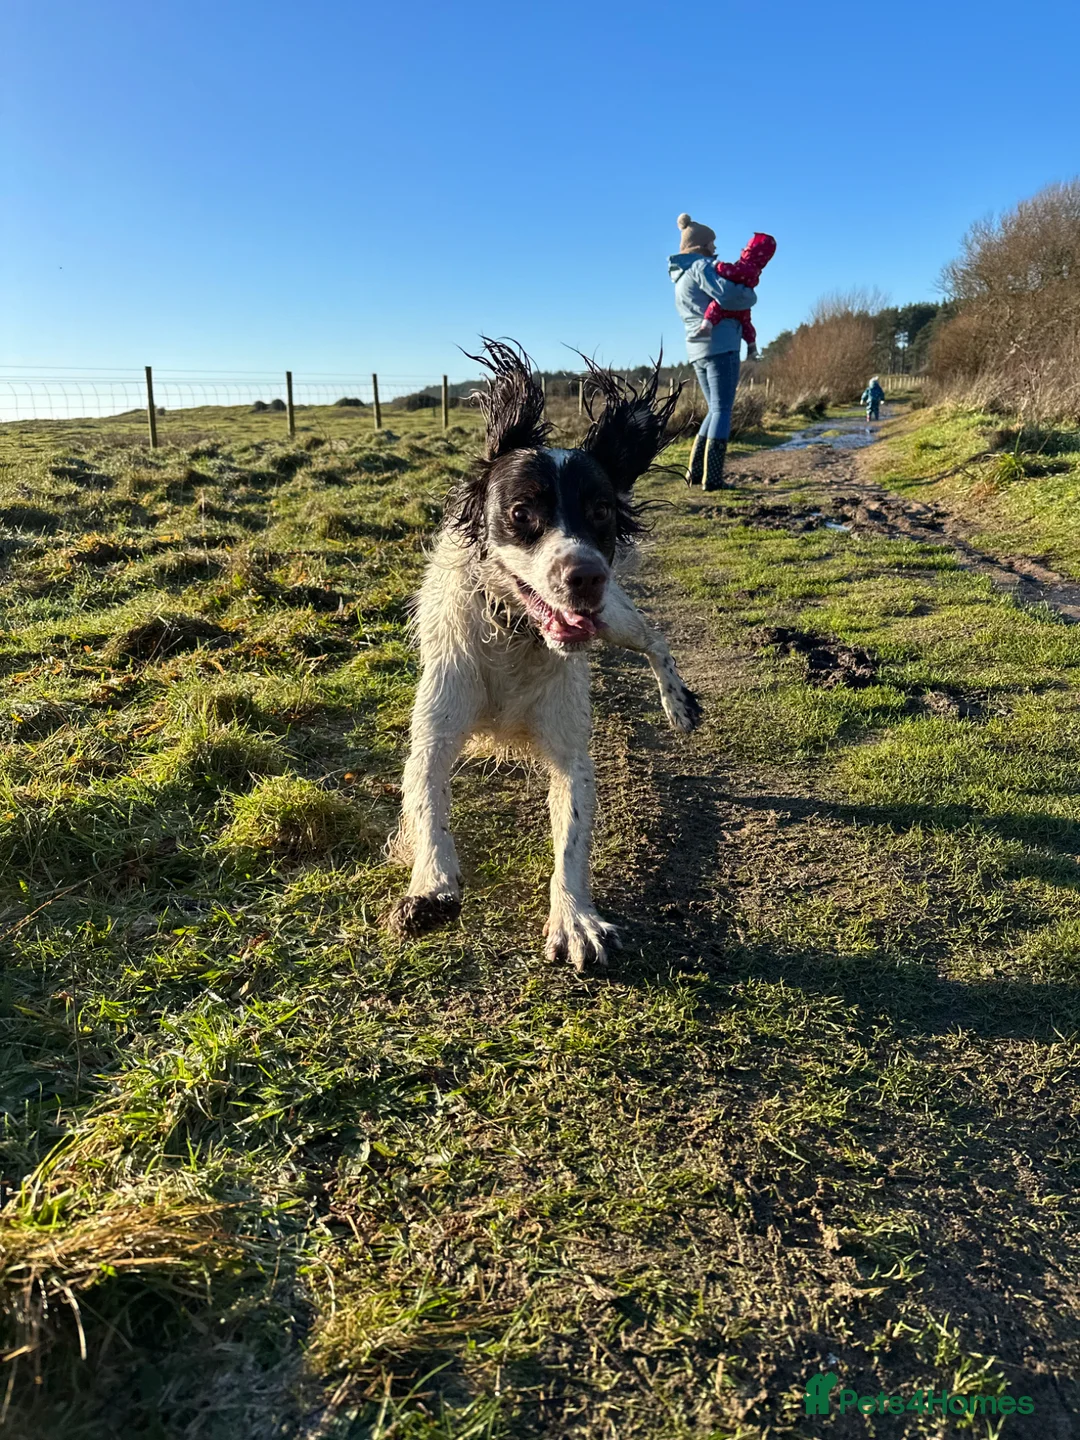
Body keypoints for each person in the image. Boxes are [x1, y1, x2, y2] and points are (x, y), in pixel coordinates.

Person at [669, 213, 758, 490]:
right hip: (721, 343)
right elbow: (729, 295)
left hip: (697, 349)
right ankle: (714, 479)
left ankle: (695, 472)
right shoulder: (701, 267)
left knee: (714, 409)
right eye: (712, 242)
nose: (715, 247)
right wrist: (750, 295)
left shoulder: (680, 277)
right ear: (702, 245)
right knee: (722, 409)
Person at [688, 231, 777, 359]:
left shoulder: (746, 267)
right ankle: (752, 346)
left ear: (751, 251)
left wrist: (718, 266)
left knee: (714, 308)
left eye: (747, 247)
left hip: (730, 304)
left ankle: (705, 329)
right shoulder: (756, 270)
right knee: (746, 324)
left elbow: (731, 272)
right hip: (743, 308)